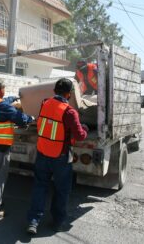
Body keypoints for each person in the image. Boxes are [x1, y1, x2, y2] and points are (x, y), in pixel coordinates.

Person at [27, 78, 88, 234]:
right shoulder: (69, 112)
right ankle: (58, 221)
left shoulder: (44, 103)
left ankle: (33, 221)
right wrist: (85, 129)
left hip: (42, 153)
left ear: (54, 91)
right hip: (60, 157)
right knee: (61, 190)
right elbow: (80, 136)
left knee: (40, 187)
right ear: (69, 94)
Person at [0, 80, 33, 218]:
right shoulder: (2, 106)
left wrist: (14, 97)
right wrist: (31, 117)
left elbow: (4, 101)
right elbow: (21, 119)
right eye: (4, 89)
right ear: (0, 89)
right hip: (0, 148)